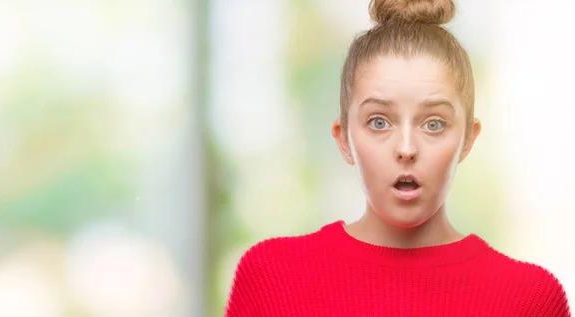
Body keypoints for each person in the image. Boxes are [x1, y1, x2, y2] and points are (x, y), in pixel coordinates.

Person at [223, 0, 572, 316]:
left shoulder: (530, 299)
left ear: (468, 139)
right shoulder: (271, 279)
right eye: (379, 122)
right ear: (343, 139)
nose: (406, 148)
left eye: (433, 124)